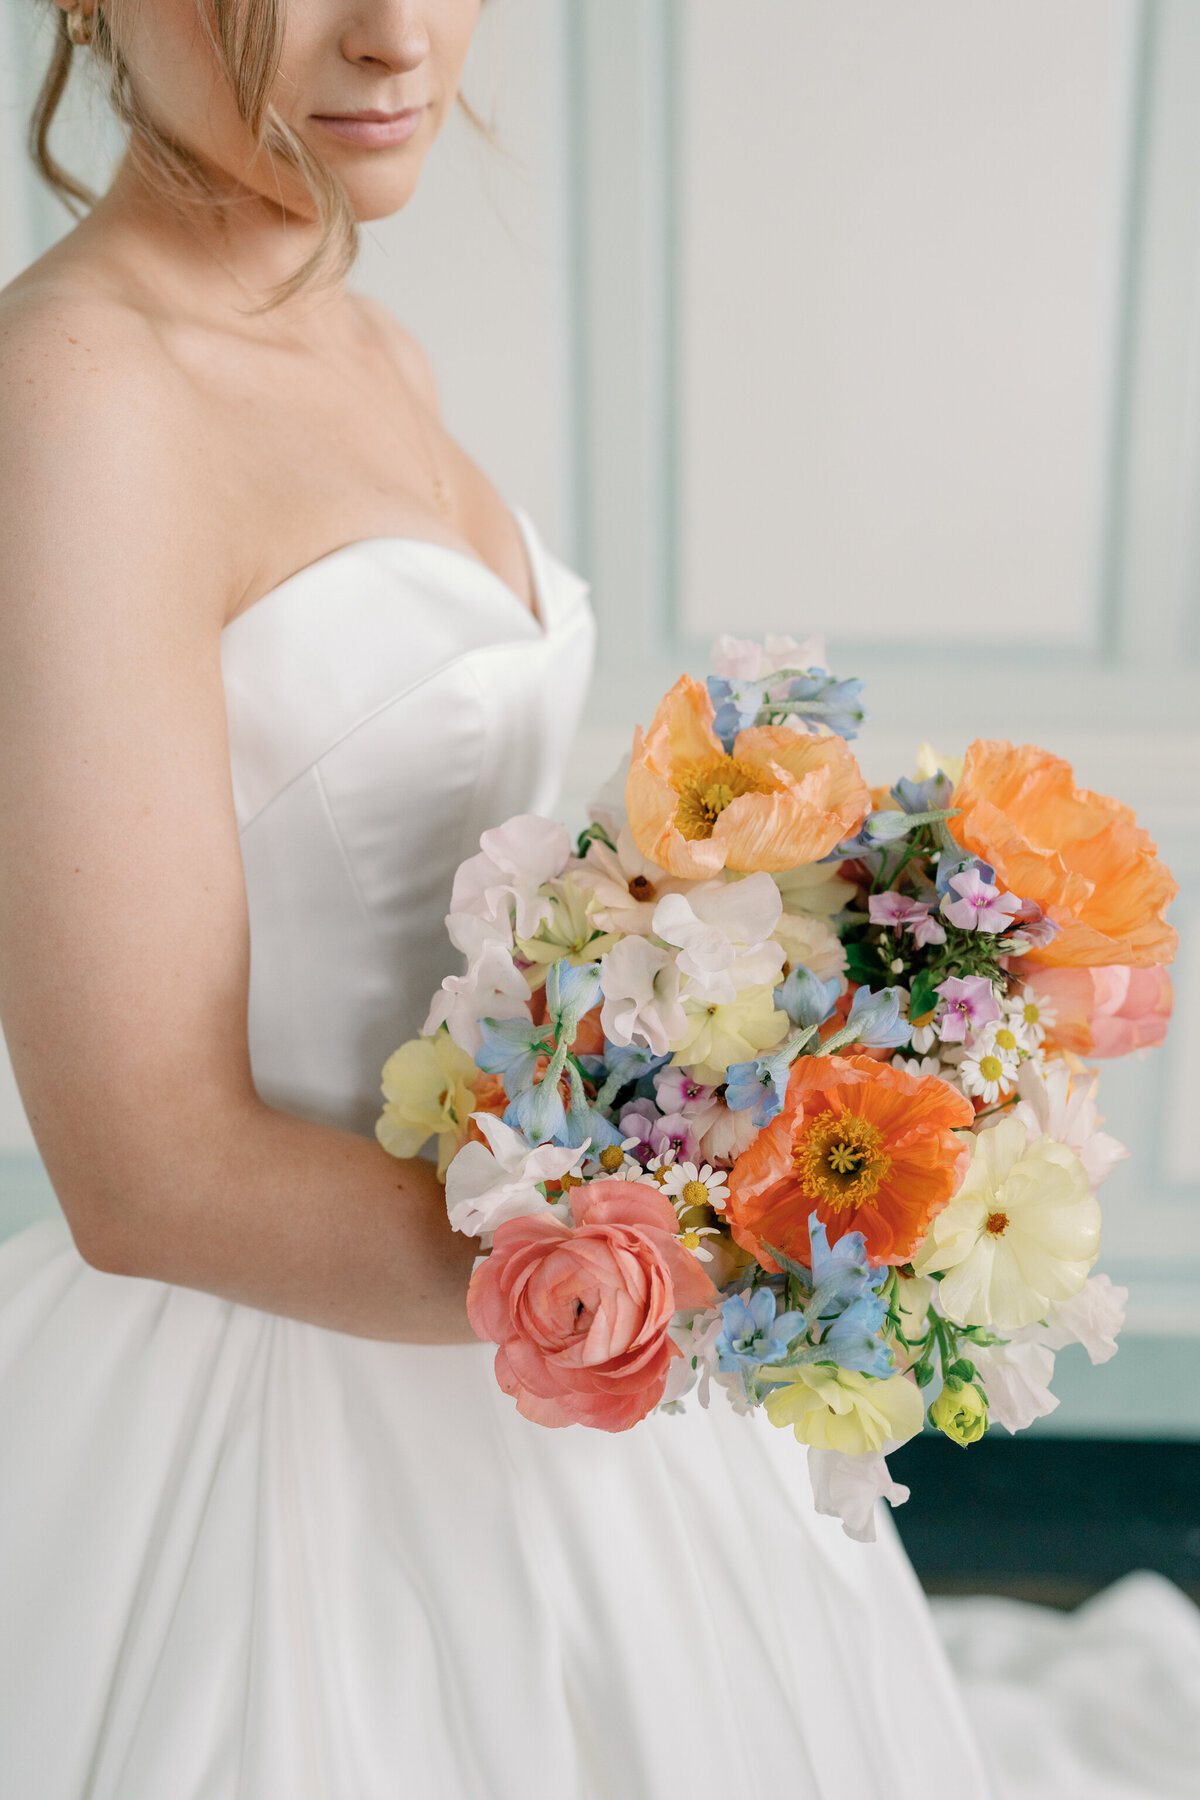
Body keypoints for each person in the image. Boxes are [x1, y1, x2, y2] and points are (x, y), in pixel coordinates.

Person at [0, 4, 991, 1795]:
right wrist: (708, 1252)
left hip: (552, 1309)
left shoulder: (365, 336)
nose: (390, 36)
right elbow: (141, 1172)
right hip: (308, 1392)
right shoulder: (75, 394)